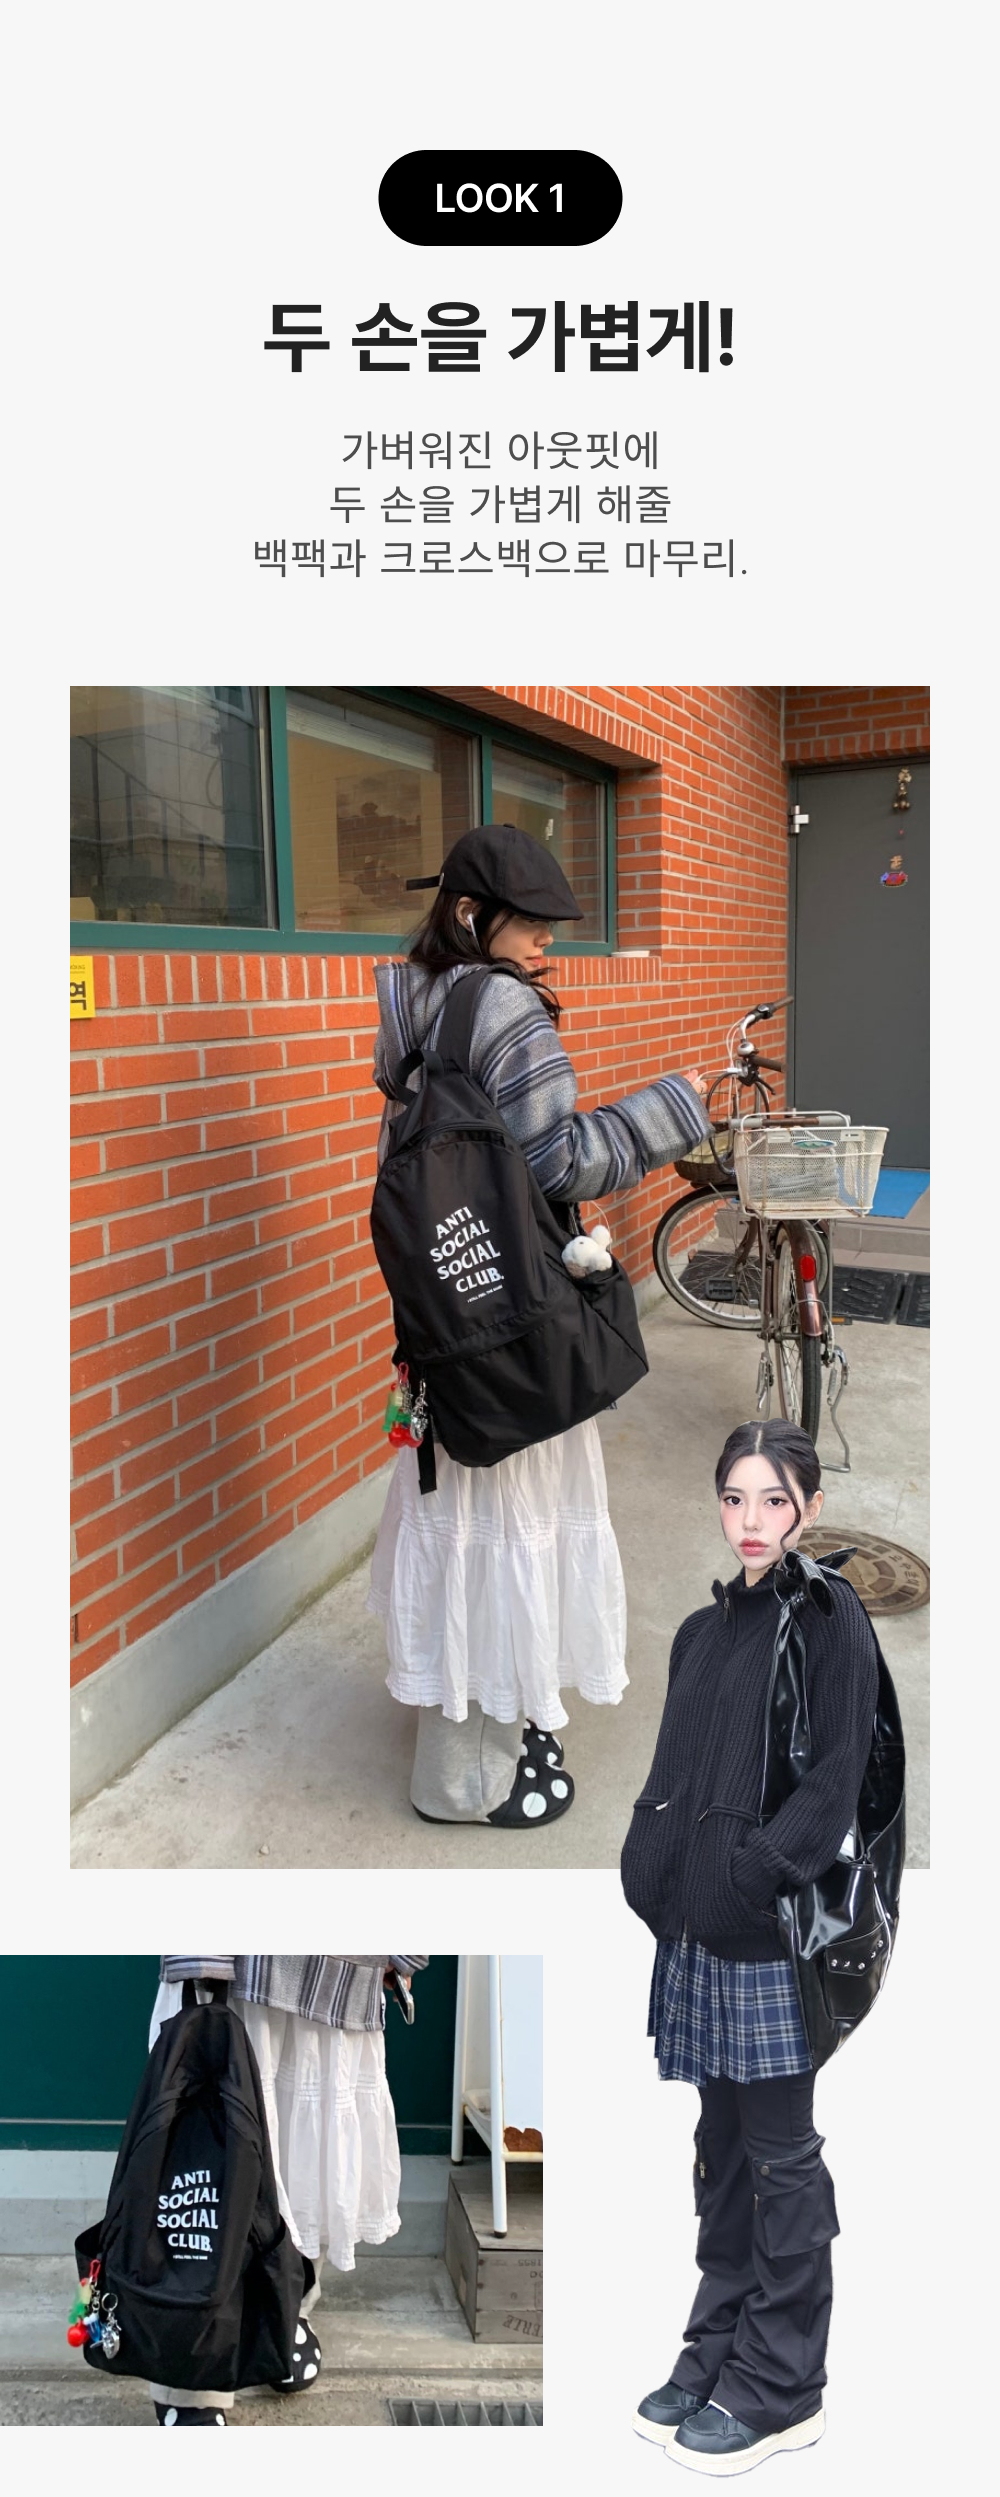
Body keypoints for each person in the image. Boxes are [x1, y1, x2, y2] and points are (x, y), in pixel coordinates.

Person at [367, 821, 710, 1828]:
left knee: (464, 1515)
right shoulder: (502, 1003)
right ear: (473, 914)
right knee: (504, 1517)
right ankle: (464, 1782)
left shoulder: (416, 1001)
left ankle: (485, 1717)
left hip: (448, 1306)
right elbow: (556, 1159)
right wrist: (670, 1107)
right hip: (511, 1311)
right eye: (532, 923)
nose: (547, 941)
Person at [621, 1422, 879, 2477]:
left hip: (766, 1936)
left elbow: (835, 1779)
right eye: (735, 1498)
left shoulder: (829, 1616)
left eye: (774, 1500)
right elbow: (671, 1773)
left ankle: (783, 2383)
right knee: (721, 2147)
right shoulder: (700, 1629)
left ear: (809, 1506)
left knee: (779, 2155)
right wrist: (648, 1859)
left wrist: (755, 1871)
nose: (751, 1521)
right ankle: (717, 2346)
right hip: (693, 1932)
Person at [148, 1954, 427, 2424]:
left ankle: (283, 2309)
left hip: (340, 1962)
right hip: (237, 1961)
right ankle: (193, 2376)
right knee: (208, 2162)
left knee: (312, 2157)